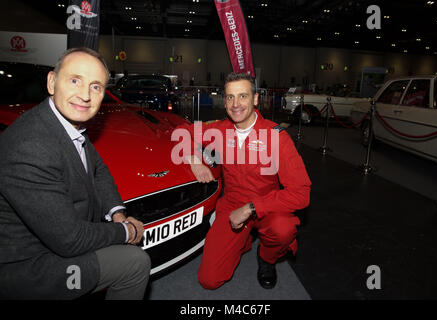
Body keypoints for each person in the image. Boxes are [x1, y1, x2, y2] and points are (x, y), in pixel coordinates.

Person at [0, 47, 150, 299]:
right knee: (135, 262)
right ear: (51, 82)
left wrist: (117, 212)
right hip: (26, 267)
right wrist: (128, 231)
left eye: (95, 87)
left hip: (56, 241)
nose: (85, 95)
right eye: (74, 80)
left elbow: (98, 169)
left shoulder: (63, 121)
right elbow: (70, 240)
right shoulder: (30, 146)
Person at [179, 72, 311, 290]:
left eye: (242, 96)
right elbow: (181, 131)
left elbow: (301, 193)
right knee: (209, 280)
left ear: (256, 99)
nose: (235, 104)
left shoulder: (276, 137)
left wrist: (252, 208)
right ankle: (243, 241)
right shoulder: (220, 130)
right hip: (231, 208)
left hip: (268, 207)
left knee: (283, 228)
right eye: (230, 97)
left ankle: (267, 259)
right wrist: (193, 160)